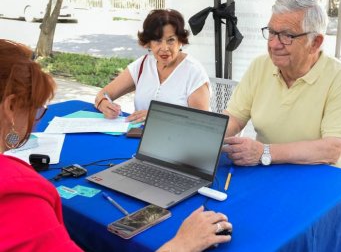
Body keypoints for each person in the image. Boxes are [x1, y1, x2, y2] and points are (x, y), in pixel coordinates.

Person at [0, 39, 231, 251]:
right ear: (11, 107)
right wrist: (183, 244)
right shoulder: (17, 194)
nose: (35, 122)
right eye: (37, 109)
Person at [222, 0, 341, 169]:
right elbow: (235, 118)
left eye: (287, 36)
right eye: (272, 32)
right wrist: (207, 136)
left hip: (324, 177)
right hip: (268, 170)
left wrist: (264, 152)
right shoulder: (260, 65)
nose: (274, 44)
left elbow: (331, 149)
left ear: (315, 43)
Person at [95, 9, 211, 123]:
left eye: (170, 40)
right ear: (149, 43)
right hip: (138, 137)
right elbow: (103, 94)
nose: (164, 48)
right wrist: (104, 103)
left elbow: (201, 123)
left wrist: (157, 116)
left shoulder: (194, 71)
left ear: (180, 41)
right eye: (157, 40)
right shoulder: (142, 64)